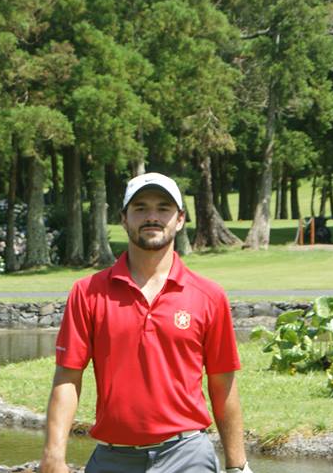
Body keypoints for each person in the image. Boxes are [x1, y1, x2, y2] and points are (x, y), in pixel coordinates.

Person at [39, 172, 251, 473]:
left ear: (179, 219)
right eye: (140, 208)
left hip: (187, 455)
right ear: (124, 219)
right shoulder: (87, 292)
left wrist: (237, 465)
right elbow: (68, 378)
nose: (152, 217)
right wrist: (53, 455)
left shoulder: (209, 295)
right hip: (113, 459)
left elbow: (222, 383)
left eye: (163, 208)